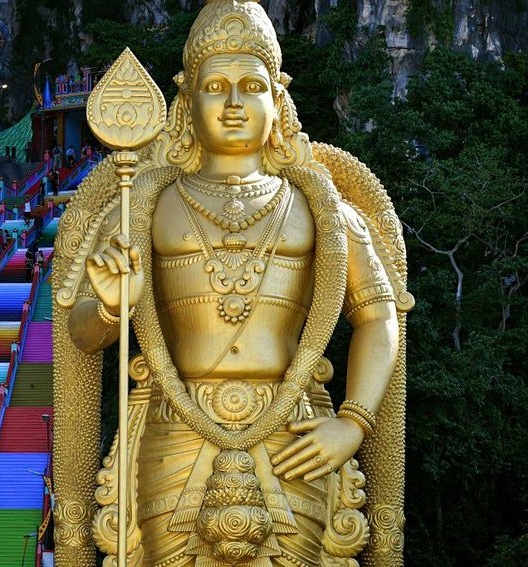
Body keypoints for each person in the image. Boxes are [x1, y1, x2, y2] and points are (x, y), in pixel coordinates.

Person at [51, 1, 411, 565]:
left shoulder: (321, 206)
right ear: (187, 101)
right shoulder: (142, 205)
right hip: (176, 426)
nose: (236, 103)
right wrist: (110, 309)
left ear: (278, 99)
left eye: (253, 85)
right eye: (216, 86)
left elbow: (379, 315)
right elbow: (79, 333)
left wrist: (354, 422)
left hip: (293, 432)